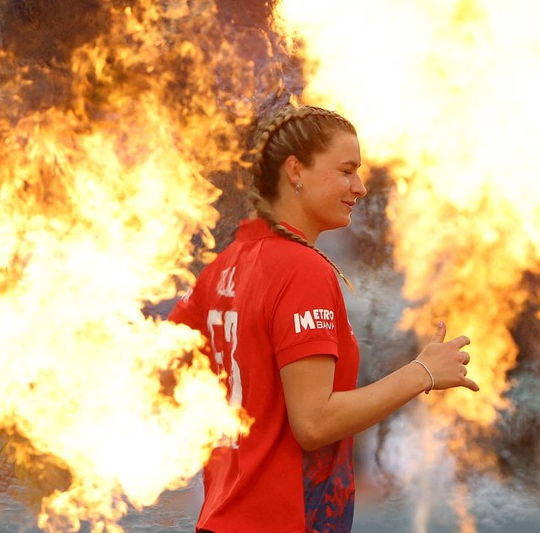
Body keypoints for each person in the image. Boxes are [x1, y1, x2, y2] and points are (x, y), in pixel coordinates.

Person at [169, 105, 479, 533]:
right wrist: (423, 372)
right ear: (295, 171)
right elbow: (314, 422)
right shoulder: (301, 268)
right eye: (347, 171)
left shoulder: (224, 265)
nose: (361, 187)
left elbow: (165, 375)